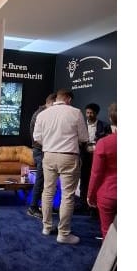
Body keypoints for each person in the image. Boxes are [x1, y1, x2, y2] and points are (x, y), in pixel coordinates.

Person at [33, 88, 88, 245]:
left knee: (47, 192)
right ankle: (63, 234)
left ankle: (46, 227)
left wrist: (50, 142)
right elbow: (84, 137)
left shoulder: (43, 114)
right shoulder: (76, 112)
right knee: (68, 195)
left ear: (57, 98)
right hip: (68, 156)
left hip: (48, 155)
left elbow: (37, 138)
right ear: (68, 99)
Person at [87, 103, 117, 239]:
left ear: (110, 118)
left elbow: (96, 173)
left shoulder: (104, 143)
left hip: (108, 193)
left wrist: (90, 195)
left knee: (108, 234)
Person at [26, 92, 57, 219]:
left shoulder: (42, 113)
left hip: (43, 150)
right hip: (41, 151)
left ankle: (42, 206)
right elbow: (37, 137)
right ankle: (33, 208)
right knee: (41, 180)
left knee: (46, 181)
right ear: (52, 102)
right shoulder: (41, 114)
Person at [78, 103, 108, 213]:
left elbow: (106, 141)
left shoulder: (104, 126)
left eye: (91, 113)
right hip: (84, 157)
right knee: (84, 180)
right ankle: (83, 204)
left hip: (98, 157)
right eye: (87, 113)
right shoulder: (81, 125)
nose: (89, 115)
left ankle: (94, 206)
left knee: (96, 181)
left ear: (96, 113)